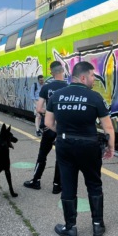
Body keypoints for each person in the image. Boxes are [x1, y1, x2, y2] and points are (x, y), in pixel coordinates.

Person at [45, 61, 115, 236]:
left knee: (68, 185)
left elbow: (48, 123)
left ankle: (70, 228)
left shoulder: (57, 96)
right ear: (83, 77)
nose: (94, 79)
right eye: (92, 76)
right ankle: (98, 226)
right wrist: (110, 147)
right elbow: (108, 128)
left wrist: (62, 134)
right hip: (89, 146)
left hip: (65, 145)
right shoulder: (94, 97)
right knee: (94, 183)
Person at [23, 61, 68, 194]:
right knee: (60, 157)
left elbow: (38, 108)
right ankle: (56, 185)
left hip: (49, 127)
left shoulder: (46, 88)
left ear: (51, 73)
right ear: (62, 71)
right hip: (62, 128)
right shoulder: (68, 87)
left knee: (42, 155)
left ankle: (36, 181)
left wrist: (48, 114)